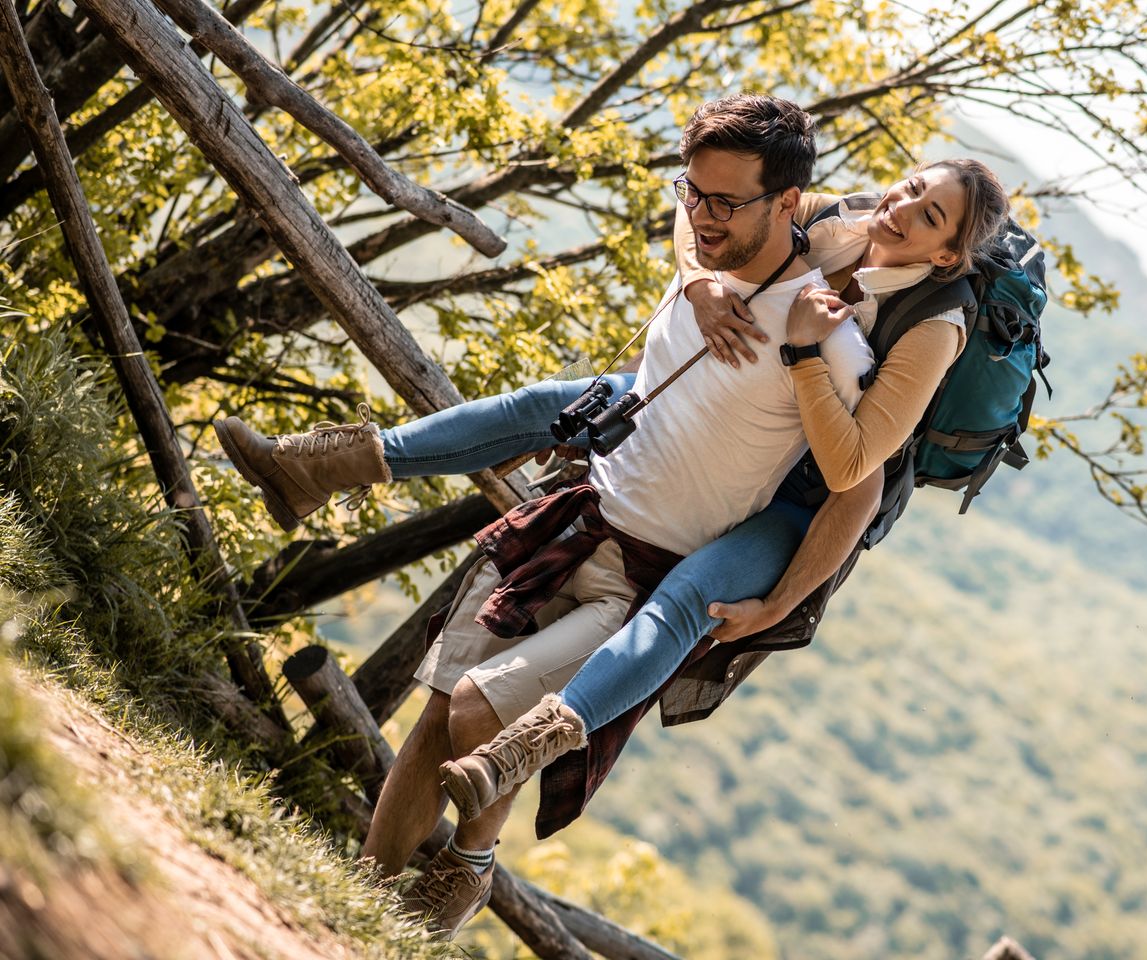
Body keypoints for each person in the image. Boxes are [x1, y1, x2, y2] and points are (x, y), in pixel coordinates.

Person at [215, 98, 1008, 934]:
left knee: (512, 694)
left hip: (779, 503)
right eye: (908, 186)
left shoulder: (920, 331)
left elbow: (855, 478)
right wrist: (701, 284)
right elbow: (700, 219)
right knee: (450, 695)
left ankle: (477, 849)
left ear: (949, 249)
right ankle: (361, 907)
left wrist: (806, 361)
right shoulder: (815, 220)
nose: (900, 207)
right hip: (615, 480)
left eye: (927, 214)